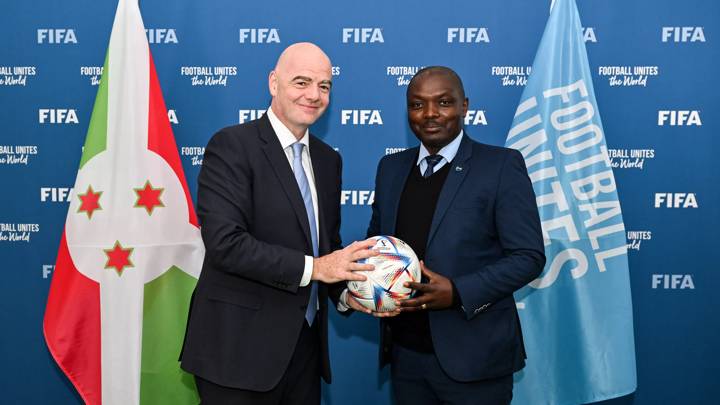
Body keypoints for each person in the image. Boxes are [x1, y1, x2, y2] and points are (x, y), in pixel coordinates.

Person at [180, 42, 376, 404]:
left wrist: (349, 295)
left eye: (324, 86)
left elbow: (325, 248)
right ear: (274, 83)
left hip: (304, 353)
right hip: (238, 353)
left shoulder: (328, 160)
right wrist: (317, 268)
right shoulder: (231, 146)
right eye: (301, 82)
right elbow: (226, 244)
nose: (314, 95)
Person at [345, 66, 546, 404]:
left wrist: (457, 292)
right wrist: (360, 289)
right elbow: (376, 245)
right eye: (417, 104)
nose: (430, 114)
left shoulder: (500, 166)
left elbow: (529, 256)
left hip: (475, 360)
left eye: (443, 102)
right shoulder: (391, 168)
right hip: (406, 357)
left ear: (464, 106)